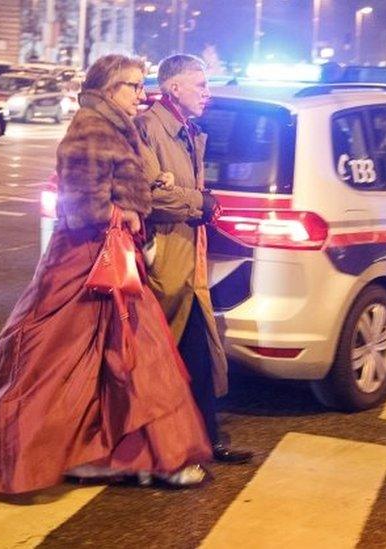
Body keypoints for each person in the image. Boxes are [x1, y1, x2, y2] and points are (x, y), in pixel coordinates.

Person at [0, 54, 211, 494]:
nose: (141, 95)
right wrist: (123, 213)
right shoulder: (90, 128)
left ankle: (115, 456)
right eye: (133, 86)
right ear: (108, 89)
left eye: (142, 86)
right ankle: (38, 454)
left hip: (110, 255)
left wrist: (141, 201)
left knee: (122, 357)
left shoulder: (117, 126)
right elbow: (81, 204)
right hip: (86, 259)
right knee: (60, 357)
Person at [135, 54, 253, 464]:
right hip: (165, 261)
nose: (208, 92)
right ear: (174, 88)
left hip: (188, 258)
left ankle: (204, 438)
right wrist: (200, 202)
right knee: (165, 355)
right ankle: (158, 445)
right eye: (200, 85)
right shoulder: (150, 129)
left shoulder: (186, 130)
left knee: (198, 350)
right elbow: (148, 195)